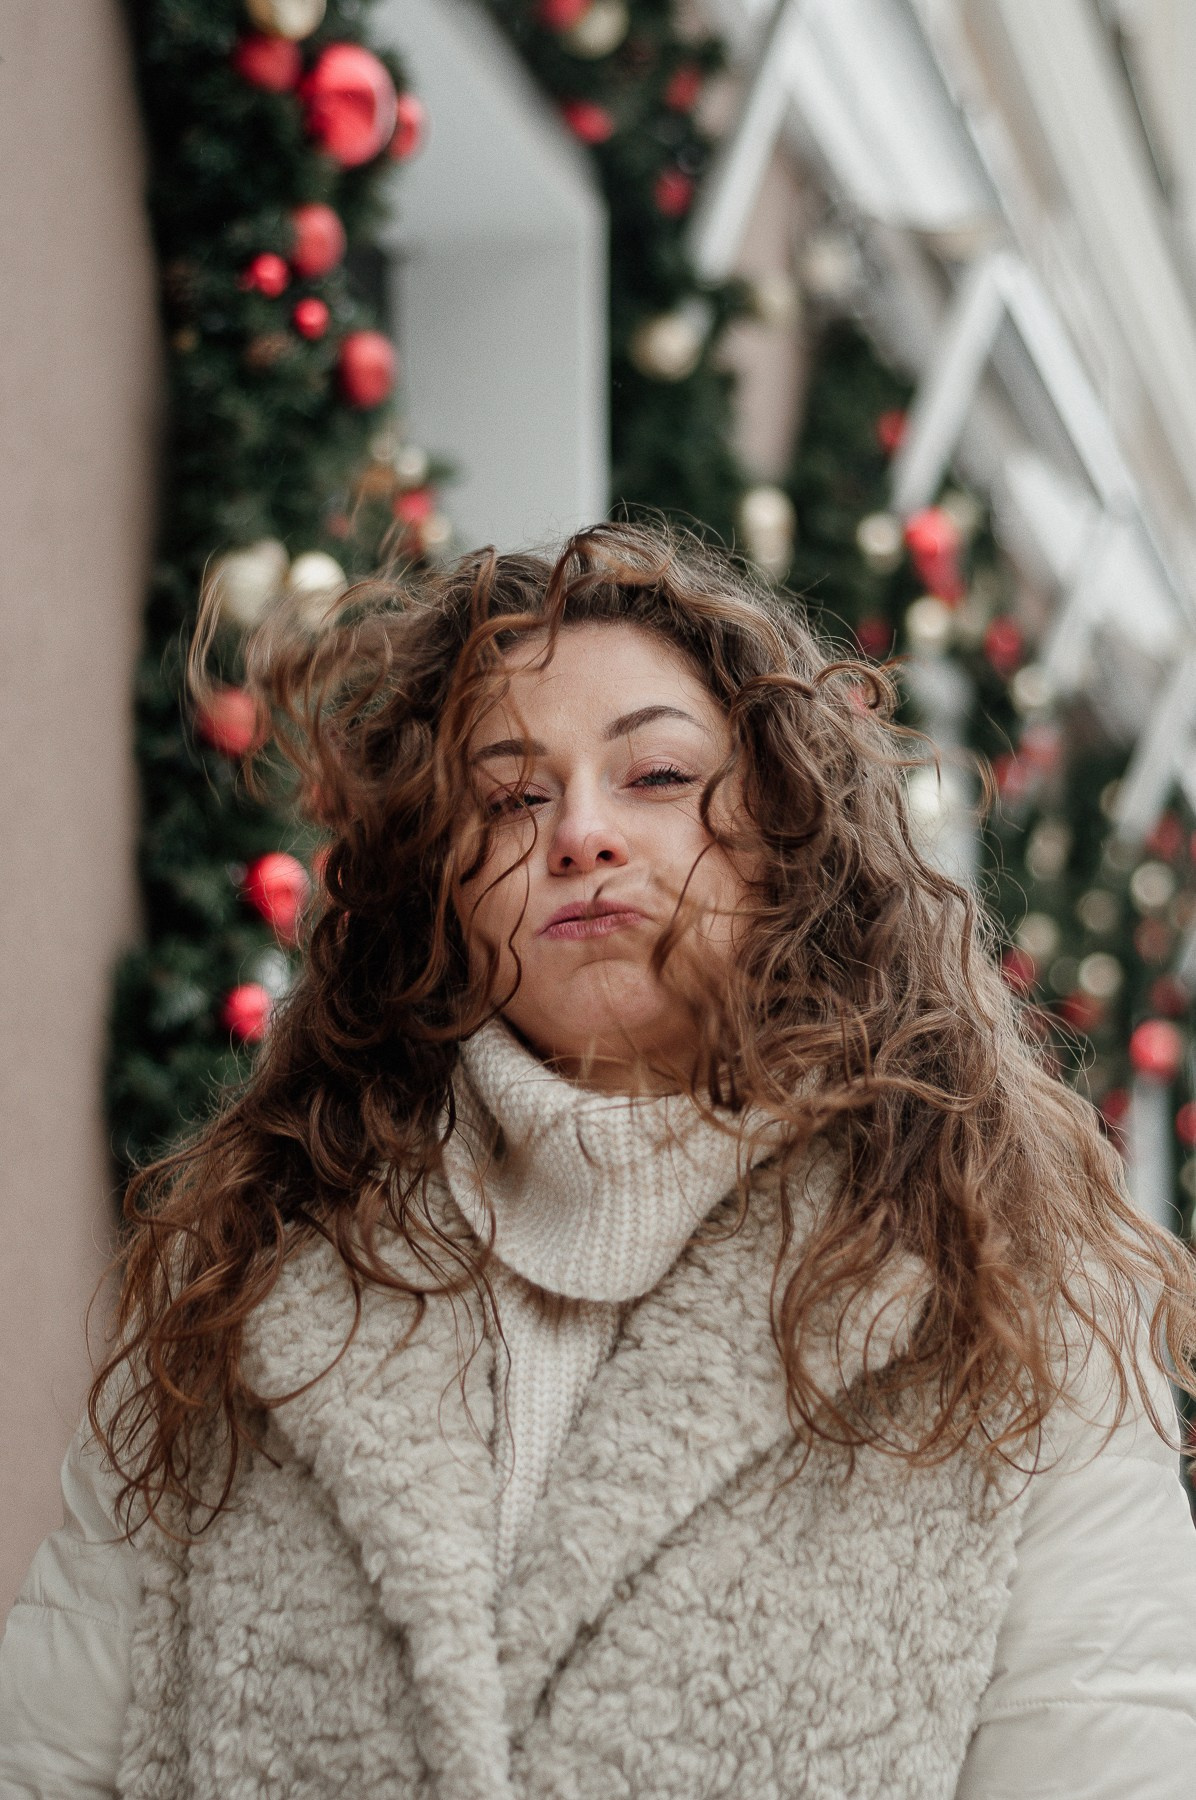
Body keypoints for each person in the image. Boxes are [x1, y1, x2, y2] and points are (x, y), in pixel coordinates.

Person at [3, 521, 1196, 1799]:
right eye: (511, 794)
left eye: (659, 776)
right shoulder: (239, 1283)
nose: (579, 832)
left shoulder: (1010, 1299)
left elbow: (1098, 1750)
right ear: (439, 891)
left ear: (788, 835)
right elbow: (52, 1759)